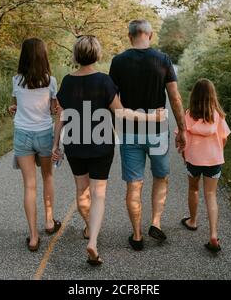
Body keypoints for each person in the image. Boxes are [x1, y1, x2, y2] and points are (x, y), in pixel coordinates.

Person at [52, 35, 164, 265]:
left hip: (74, 144)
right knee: (98, 195)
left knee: (82, 192)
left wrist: (56, 144)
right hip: (101, 145)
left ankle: (88, 227)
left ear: (75, 56)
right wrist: (150, 117)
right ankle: (92, 241)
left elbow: (60, 116)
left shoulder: (67, 81)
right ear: (97, 55)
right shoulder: (104, 81)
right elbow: (122, 113)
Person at [109, 20, 187, 251]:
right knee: (160, 177)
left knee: (134, 185)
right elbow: (175, 97)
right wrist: (182, 129)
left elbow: (113, 100)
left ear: (129, 35)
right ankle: (156, 222)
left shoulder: (118, 61)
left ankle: (136, 235)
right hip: (157, 131)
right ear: (150, 34)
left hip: (129, 131)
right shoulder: (162, 60)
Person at [8, 38, 62, 252]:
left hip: (22, 134)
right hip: (43, 134)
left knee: (29, 185)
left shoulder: (16, 80)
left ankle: (32, 237)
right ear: (43, 55)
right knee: (48, 177)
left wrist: (12, 110)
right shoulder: (51, 81)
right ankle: (49, 222)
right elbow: (53, 110)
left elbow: (16, 106)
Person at [179, 79, 231, 253]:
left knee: (193, 189)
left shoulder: (188, 115)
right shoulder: (217, 115)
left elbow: (181, 138)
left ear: (194, 96)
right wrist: (217, 150)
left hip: (193, 160)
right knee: (211, 195)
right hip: (213, 160)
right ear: (212, 96)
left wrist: (183, 153)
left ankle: (192, 221)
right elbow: (224, 138)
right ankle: (213, 235)